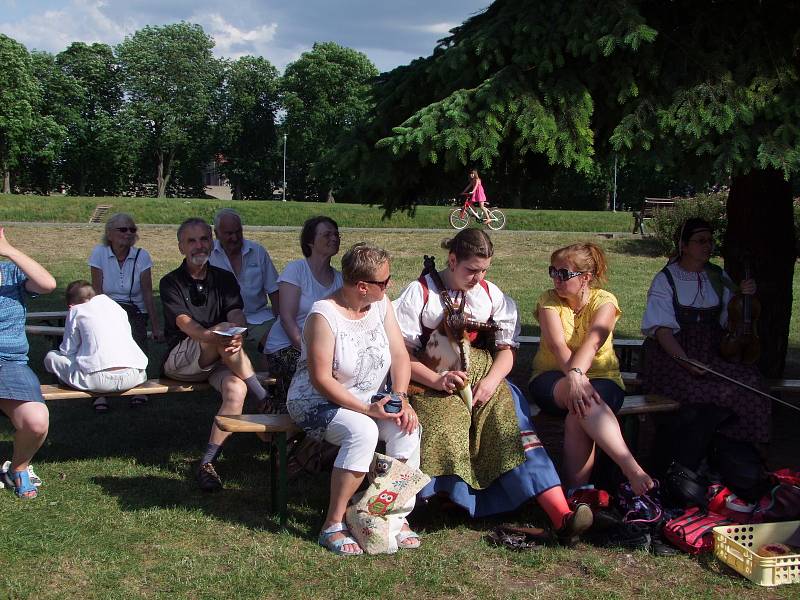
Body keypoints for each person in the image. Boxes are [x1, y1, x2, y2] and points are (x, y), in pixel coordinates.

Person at [393, 229, 592, 541]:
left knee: (510, 427)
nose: (477, 277)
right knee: (448, 425)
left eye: (484, 270)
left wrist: (490, 382)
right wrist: (437, 378)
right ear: (452, 259)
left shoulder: (491, 295)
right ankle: (449, 501)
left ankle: (562, 514)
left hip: (487, 378)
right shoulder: (421, 293)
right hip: (431, 381)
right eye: (471, 270)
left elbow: (506, 351)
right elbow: (401, 355)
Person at [286, 243, 420, 555]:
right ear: (362, 286)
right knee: (363, 431)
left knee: (407, 428)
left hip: (369, 400)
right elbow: (320, 379)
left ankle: (391, 515)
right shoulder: (324, 315)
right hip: (315, 401)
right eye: (384, 282)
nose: (389, 286)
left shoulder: (380, 304)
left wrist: (400, 399)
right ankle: (332, 524)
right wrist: (365, 409)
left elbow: (400, 354)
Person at [529, 243, 654, 496]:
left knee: (579, 411)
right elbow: (556, 346)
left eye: (563, 273)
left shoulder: (605, 302)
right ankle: (631, 469)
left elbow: (593, 343)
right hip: (551, 377)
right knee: (583, 399)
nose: (556, 278)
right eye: (552, 271)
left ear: (586, 277)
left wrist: (578, 376)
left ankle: (576, 496)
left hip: (603, 378)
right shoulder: (548, 300)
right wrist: (575, 378)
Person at [160, 218, 269, 492]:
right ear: (180, 247)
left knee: (235, 389)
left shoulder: (223, 278)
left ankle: (207, 462)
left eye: (204, 239)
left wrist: (237, 333)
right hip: (181, 359)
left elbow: (236, 312)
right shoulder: (170, 282)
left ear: (212, 242)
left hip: (219, 358)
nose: (199, 245)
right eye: (192, 241)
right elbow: (186, 325)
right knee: (222, 332)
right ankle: (266, 399)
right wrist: (222, 335)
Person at [641, 218, 771, 445]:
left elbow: (730, 321)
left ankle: (737, 456)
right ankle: (694, 456)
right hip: (673, 356)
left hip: (714, 352)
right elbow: (662, 331)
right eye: (700, 241)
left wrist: (743, 296)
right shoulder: (666, 279)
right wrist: (686, 361)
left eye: (710, 241)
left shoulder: (718, 277)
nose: (707, 246)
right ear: (683, 245)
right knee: (696, 394)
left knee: (751, 385)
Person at [263, 216, 342, 413]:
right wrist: (309, 352)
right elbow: (287, 318)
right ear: (310, 242)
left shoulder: (340, 280)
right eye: (327, 235)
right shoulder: (296, 270)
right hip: (285, 346)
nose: (334, 238)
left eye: (336, 234)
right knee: (311, 373)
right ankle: (287, 427)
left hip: (321, 351)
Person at [0, 226, 56, 499]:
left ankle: (18, 467)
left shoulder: (11, 274)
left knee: (36, 422)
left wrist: (9, 251)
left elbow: (48, 285)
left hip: (8, 362)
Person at [89, 213, 161, 409]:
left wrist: (155, 326)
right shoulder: (99, 253)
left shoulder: (142, 256)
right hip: (107, 305)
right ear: (110, 234)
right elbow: (97, 289)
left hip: (135, 308)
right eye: (123, 229)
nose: (128, 233)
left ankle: (138, 386)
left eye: (132, 229)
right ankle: (100, 391)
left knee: (137, 337)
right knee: (101, 342)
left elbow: (148, 292)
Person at [44, 281, 147, 402]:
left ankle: (65, 383)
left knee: (51, 357)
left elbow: (68, 350)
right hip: (135, 375)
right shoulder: (117, 307)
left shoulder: (76, 310)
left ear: (70, 305)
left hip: (98, 380)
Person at [209, 208, 280, 356]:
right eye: (229, 233)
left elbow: (274, 290)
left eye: (238, 232)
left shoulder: (258, 252)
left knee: (276, 344)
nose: (234, 238)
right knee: (223, 350)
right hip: (222, 320)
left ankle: (269, 378)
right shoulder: (208, 255)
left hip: (258, 317)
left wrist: (281, 322)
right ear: (216, 234)